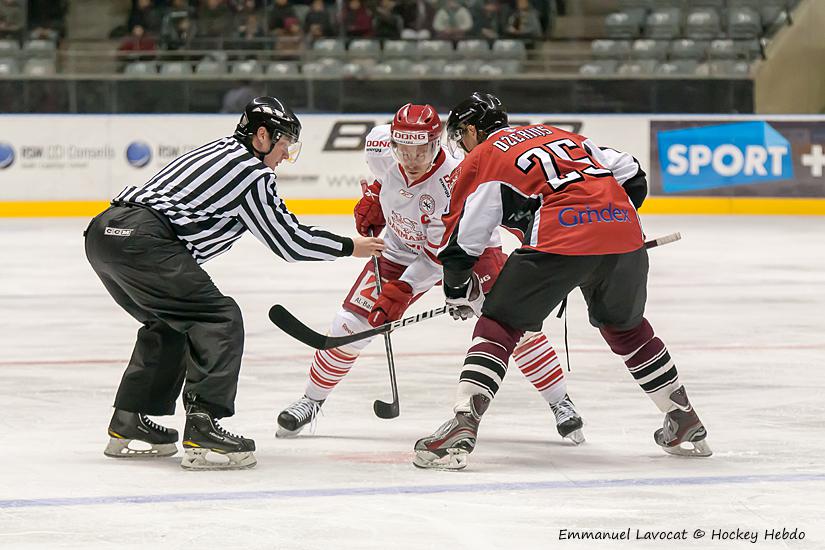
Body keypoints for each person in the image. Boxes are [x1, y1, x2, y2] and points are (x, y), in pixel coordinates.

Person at [413, 92, 712, 470]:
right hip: (622, 237)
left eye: (461, 135)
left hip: (559, 244)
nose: (462, 144)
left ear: (472, 130)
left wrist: (457, 289)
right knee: (627, 328)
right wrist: (605, 230)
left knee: (498, 324)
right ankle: (684, 419)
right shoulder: (561, 135)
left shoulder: (485, 156)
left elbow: (465, 238)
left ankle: (462, 425)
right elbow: (633, 174)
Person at [84, 96, 384, 470]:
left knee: (169, 321)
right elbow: (288, 242)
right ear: (262, 136)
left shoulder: (217, 150)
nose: (285, 154)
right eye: (284, 143)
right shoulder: (252, 173)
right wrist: (349, 246)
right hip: (145, 242)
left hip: (103, 233)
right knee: (219, 318)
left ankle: (129, 422)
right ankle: (203, 425)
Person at [276, 103, 583, 443]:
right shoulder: (383, 150)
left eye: (421, 149)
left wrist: (402, 290)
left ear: (436, 143)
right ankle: (311, 400)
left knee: (514, 326)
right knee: (348, 326)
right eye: (403, 149)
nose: (411, 158)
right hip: (398, 251)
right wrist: (377, 199)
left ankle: (561, 403)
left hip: (469, 253)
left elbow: (439, 255)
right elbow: (384, 178)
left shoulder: (454, 180)